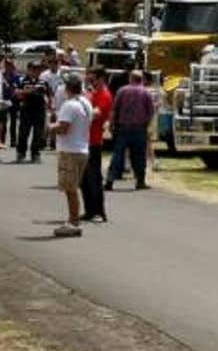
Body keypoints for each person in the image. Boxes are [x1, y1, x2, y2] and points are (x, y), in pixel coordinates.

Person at [50, 72, 91, 236]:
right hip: (81, 148)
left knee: (70, 188)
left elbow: (63, 128)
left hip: (70, 150)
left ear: (68, 88)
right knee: (72, 187)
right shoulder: (85, 102)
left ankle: (73, 222)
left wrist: (50, 127)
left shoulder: (69, 105)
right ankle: (73, 220)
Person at [107, 70, 155, 190]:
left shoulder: (122, 91)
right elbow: (150, 112)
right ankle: (140, 181)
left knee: (118, 154)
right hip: (139, 128)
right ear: (141, 80)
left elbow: (115, 109)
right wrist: (146, 124)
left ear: (130, 78)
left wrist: (111, 124)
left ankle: (110, 180)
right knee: (139, 156)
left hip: (123, 127)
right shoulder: (146, 93)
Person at [80, 67, 113, 222]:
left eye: (92, 80)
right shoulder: (91, 93)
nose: (90, 83)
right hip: (84, 140)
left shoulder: (104, 95)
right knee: (84, 179)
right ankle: (89, 210)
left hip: (94, 141)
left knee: (94, 178)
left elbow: (96, 113)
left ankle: (99, 212)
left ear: (101, 79)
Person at [14, 60, 46, 162]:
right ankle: (21, 153)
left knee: (38, 133)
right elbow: (16, 92)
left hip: (39, 110)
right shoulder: (22, 81)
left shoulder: (43, 82)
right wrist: (26, 91)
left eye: (38, 69)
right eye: (34, 69)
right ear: (29, 70)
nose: (36, 71)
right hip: (27, 110)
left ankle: (35, 153)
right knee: (23, 132)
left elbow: (48, 94)